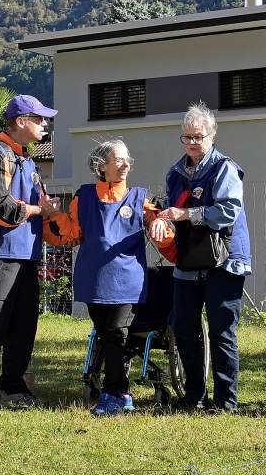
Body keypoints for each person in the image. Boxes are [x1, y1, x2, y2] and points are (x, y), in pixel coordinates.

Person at [45, 139, 174, 416]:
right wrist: (53, 214)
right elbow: (72, 234)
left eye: (128, 160)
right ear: (101, 166)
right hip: (93, 279)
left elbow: (160, 227)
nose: (126, 164)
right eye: (119, 160)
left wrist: (161, 224)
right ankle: (117, 392)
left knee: (116, 333)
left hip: (126, 280)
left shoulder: (140, 198)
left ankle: (116, 393)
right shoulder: (83, 197)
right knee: (105, 334)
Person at [0, 94, 60, 410]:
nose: (45, 124)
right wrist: (37, 209)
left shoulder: (28, 160)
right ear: (20, 121)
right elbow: (1, 208)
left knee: (23, 326)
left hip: (28, 254)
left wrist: (48, 209)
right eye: (39, 118)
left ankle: (13, 387)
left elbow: (31, 206)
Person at [158, 101, 251, 413]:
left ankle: (225, 402)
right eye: (187, 137)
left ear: (213, 136)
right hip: (188, 261)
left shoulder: (225, 168)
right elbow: (171, 211)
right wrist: (161, 220)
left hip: (226, 260)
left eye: (198, 137)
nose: (192, 143)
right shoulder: (174, 173)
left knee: (222, 331)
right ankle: (194, 395)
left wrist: (185, 214)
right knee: (183, 327)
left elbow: (227, 211)